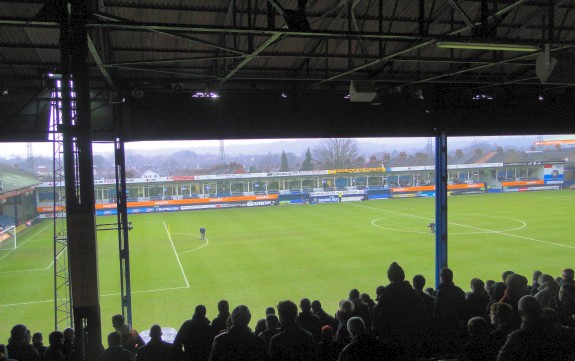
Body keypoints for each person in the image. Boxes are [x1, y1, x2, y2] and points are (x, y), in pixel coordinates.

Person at [433, 267, 467, 355]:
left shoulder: (440, 292)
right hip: (457, 324)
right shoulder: (459, 291)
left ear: (442, 278)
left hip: (444, 325)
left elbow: (436, 309)